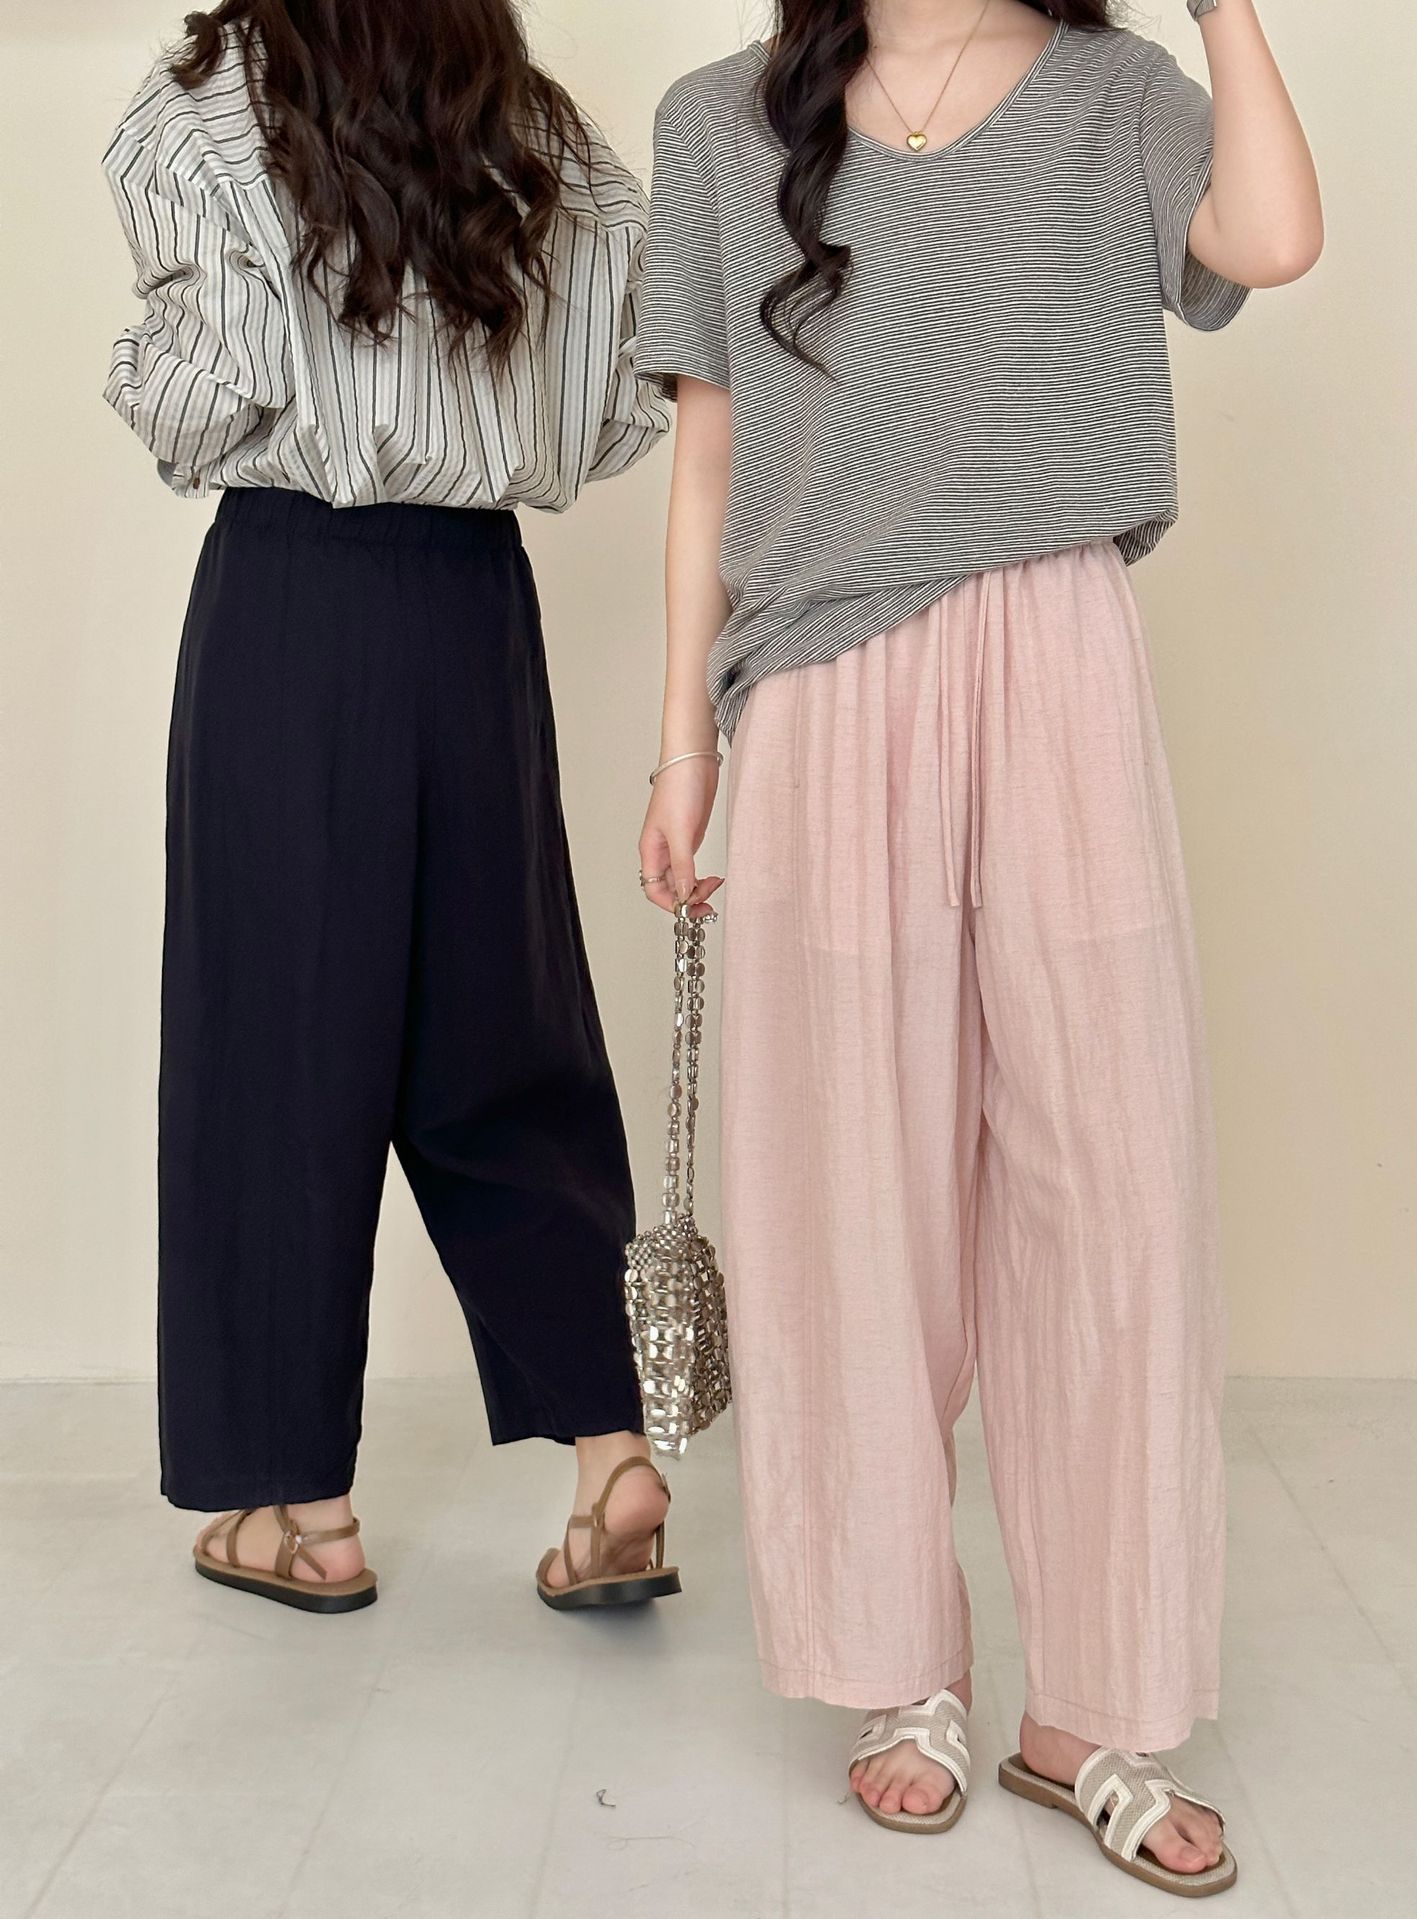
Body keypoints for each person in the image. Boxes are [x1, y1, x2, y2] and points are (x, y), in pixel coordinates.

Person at [636, 0, 1320, 1895]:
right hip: (820, 683)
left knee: (1115, 1181)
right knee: (850, 1187)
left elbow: (1271, 239)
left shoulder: (1114, 95)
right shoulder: (718, 121)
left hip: (1059, 654)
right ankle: (898, 1676)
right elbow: (706, 453)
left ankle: (1096, 1707)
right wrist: (685, 748)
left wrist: (1224, 5)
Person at [103, 0, 678, 1617]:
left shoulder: (211, 99)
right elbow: (627, 392)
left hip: (293, 599)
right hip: (477, 609)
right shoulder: (531, 122)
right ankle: (611, 1455)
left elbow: (202, 393)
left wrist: (155, 370)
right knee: (509, 1041)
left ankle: (306, 1514)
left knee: (273, 1051)